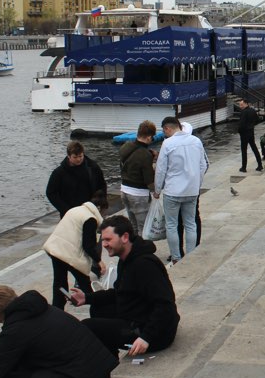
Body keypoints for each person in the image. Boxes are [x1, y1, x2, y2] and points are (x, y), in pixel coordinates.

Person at [70, 215, 180, 357]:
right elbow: (119, 293)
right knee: (99, 309)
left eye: (108, 240)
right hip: (138, 316)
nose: (104, 244)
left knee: (88, 326)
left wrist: (146, 337)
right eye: (103, 240)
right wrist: (86, 298)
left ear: (125, 237)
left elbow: (166, 305)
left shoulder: (145, 265)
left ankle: (106, 366)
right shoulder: (126, 259)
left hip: (156, 334)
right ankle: (111, 356)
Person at [41, 189, 108, 311]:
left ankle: (57, 311)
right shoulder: (90, 219)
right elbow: (88, 245)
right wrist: (99, 261)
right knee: (86, 284)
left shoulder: (76, 210)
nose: (104, 214)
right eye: (104, 211)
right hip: (68, 254)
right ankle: (100, 308)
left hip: (55, 249)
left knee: (59, 283)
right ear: (99, 208)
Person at [154, 116, 208, 264]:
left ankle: (176, 257)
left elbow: (160, 170)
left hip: (173, 191)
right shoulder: (196, 141)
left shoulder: (168, 143)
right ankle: (191, 256)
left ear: (167, 128)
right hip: (192, 190)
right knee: (191, 223)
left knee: (172, 225)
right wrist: (197, 183)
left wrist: (157, 189)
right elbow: (203, 165)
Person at [45, 141, 107, 218]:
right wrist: (65, 209)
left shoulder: (93, 167)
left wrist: (102, 203)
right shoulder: (59, 172)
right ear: (68, 156)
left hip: (90, 209)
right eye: (75, 157)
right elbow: (51, 193)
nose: (78, 159)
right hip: (69, 213)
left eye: (80, 156)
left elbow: (102, 185)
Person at [119, 120, 157, 233]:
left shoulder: (125, 146)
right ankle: (142, 250)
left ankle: (134, 249)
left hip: (124, 190)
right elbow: (149, 180)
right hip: (138, 194)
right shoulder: (145, 155)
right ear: (149, 137)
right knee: (143, 228)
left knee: (133, 227)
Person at [236, 98, 264, 173]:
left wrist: (239, 131)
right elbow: (257, 120)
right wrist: (252, 125)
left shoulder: (243, 112)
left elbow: (241, 124)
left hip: (244, 133)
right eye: (240, 105)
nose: (240, 106)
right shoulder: (252, 110)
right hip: (251, 132)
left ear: (246, 104)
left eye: (241, 104)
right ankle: (260, 165)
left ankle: (244, 167)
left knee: (244, 150)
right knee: (254, 148)